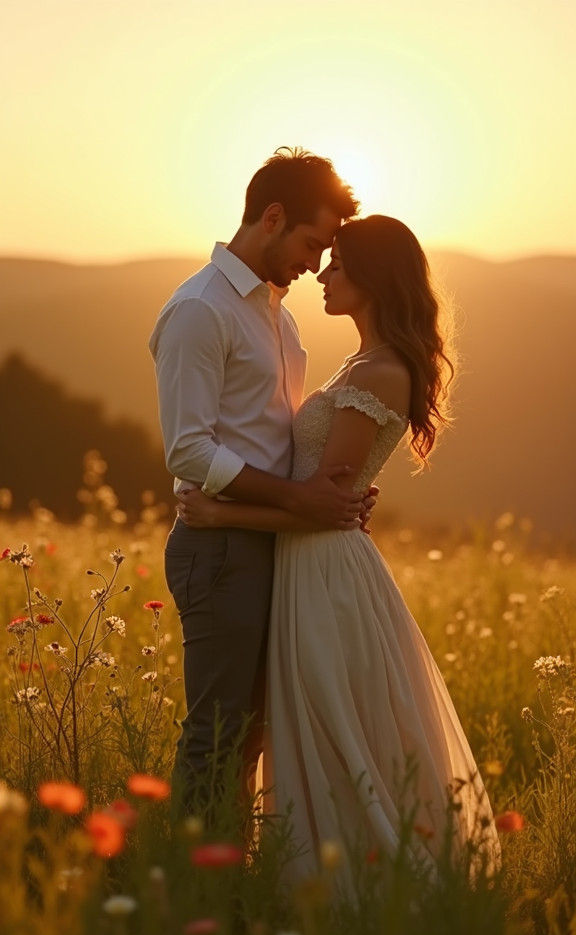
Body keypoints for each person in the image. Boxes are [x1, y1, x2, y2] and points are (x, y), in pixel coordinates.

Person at [176, 214, 501, 882]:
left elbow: (324, 509)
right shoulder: (360, 362)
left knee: (333, 723)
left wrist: (216, 511)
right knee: (308, 722)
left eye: (339, 266)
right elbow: (323, 497)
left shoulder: (381, 372)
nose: (323, 274)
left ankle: (352, 878)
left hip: (325, 570)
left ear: (375, 278)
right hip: (305, 562)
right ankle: (302, 867)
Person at [149, 148, 367, 812]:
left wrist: (334, 486)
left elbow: (277, 431)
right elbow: (189, 450)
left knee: (255, 736)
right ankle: (192, 896)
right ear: (271, 218)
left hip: (270, 539)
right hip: (218, 550)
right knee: (218, 734)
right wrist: (300, 499)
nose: (317, 264)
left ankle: (232, 886)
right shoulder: (200, 310)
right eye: (312, 243)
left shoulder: (281, 315)